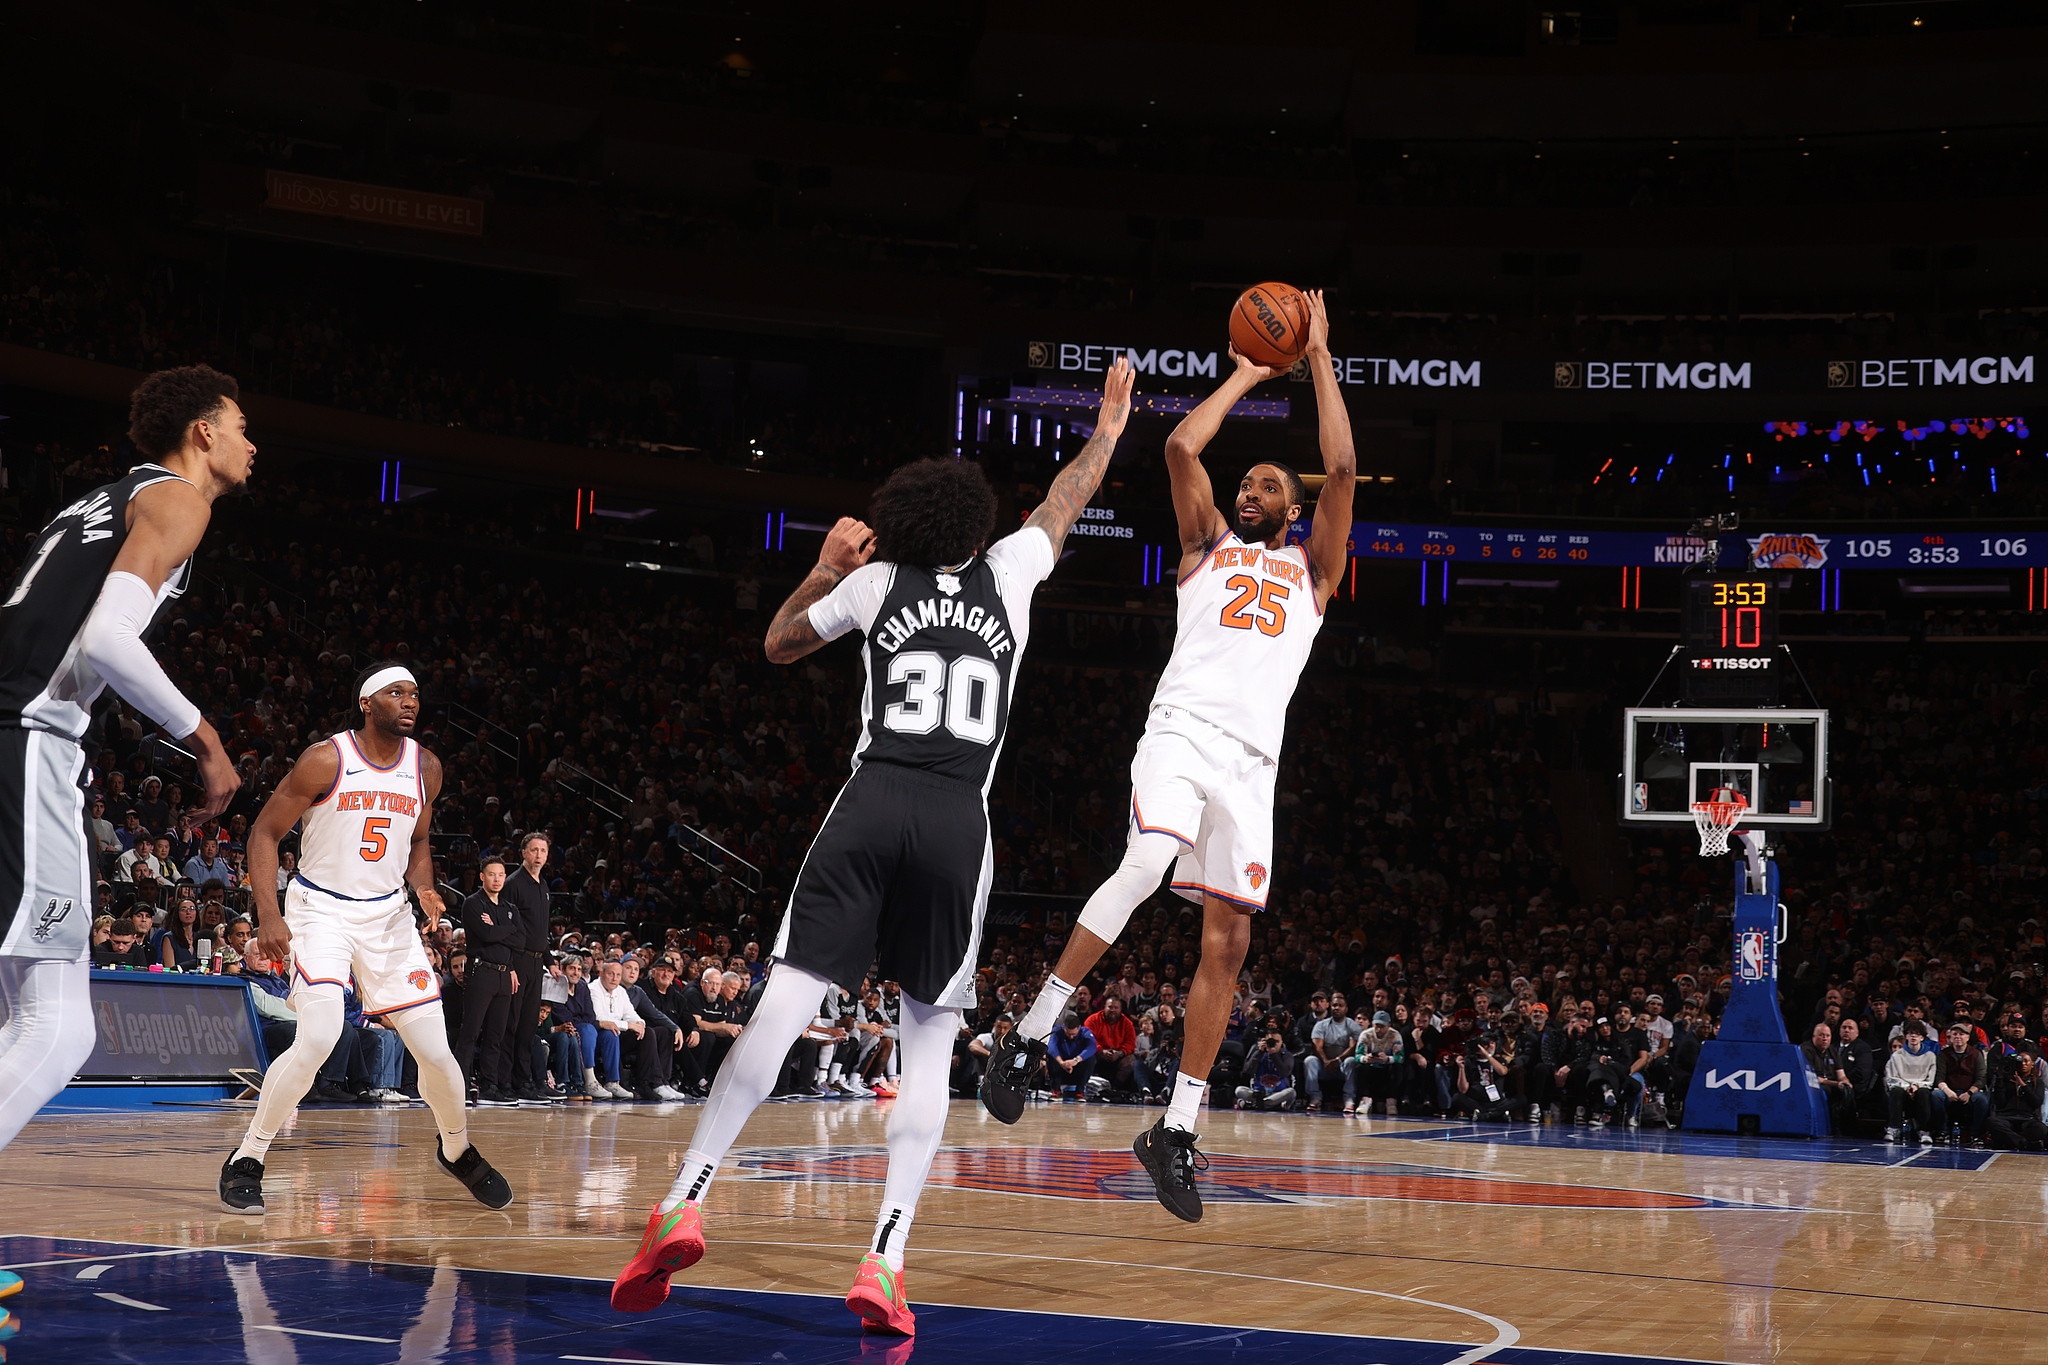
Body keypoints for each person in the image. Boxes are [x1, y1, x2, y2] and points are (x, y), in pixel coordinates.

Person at [610, 359, 1135, 1336]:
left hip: (868, 798)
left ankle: (685, 1196)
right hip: (954, 816)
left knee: (781, 1010)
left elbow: (775, 644)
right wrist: (1105, 431)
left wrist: (824, 565)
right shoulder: (1013, 570)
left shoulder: (877, 580)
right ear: (977, 524)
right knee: (928, 1038)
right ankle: (884, 1258)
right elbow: (1065, 499)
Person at [984, 295, 1356, 1225]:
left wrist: (1317, 356)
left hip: (1252, 765)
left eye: (1268, 485)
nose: (1251, 492)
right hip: (1182, 731)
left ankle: (1176, 1130)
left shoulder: (1315, 572)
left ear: (1296, 508)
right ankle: (1029, 1035)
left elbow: (1344, 463)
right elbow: (1183, 450)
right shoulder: (1208, 547)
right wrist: (1248, 371)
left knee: (1227, 943)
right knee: (1147, 861)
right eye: (1250, 486)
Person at [0, 362, 253, 1275]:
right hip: (28, 735)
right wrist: (206, 736)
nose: (252, 442)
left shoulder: (102, 499)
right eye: (240, 424)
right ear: (201, 434)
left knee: (21, 1016)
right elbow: (108, 638)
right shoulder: (183, 501)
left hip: (16, 728)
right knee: (59, 1028)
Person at [217, 664, 512, 1215]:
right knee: (320, 1035)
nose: (410, 702)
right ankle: (248, 1156)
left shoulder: (426, 766)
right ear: (366, 703)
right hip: (319, 909)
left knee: (438, 1055)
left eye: (415, 695)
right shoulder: (326, 758)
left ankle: (456, 1149)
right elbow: (263, 831)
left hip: (387, 918)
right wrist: (267, 913)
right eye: (396, 693)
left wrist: (423, 888)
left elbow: (418, 841)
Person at [452, 856, 521, 1106]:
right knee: (470, 1031)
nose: (497, 879)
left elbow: (521, 940)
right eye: (492, 874)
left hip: (504, 974)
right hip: (481, 972)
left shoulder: (510, 908)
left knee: (496, 1034)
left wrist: (499, 929)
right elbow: (485, 934)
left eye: (501, 875)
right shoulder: (473, 903)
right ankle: (458, 1085)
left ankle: (489, 1085)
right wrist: (507, 930)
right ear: (482, 876)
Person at [499, 832, 554, 1101]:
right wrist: (508, 964)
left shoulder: (543, 886)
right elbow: (508, 928)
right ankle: (506, 1081)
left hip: (536, 963)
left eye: (542, 851)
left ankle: (525, 1081)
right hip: (517, 961)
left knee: (529, 1025)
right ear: (523, 853)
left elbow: (540, 930)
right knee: (512, 1022)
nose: (538, 856)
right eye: (534, 850)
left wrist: (550, 961)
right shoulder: (513, 884)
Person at [1934, 1019, 1990, 1147]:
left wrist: (1969, 1092)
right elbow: (1939, 1078)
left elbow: (1981, 1078)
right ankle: (1943, 1132)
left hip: (1970, 1092)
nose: (1958, 1037)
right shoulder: (1943, 1054)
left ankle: (1976, 1134)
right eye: (1955, 1034)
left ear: (1968, 1037)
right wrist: (1947, 1091)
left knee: (1982, 1100)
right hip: (1949, 1091)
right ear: (1950, 1037)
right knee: (1936, 1096)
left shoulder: (1976, 1054)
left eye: (1962, 1034)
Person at [1885, 1019, 1941, 1144]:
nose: (1913, 1036)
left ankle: (1924, 1131)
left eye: (1917, 1034)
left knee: (1924, 1093)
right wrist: (1907, 1087)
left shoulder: (1930, 1056)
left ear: (1922, 1037)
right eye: (1910, 1033)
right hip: (1902, 1087)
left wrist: (1916, 1086)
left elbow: (1930, 1080)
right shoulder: (1897, 1056)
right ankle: (1893, 1128)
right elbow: (1892, 1078)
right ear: (1906, 1036)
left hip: (1920, 1088)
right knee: (1896, 1091)